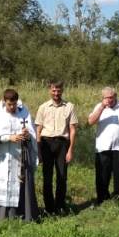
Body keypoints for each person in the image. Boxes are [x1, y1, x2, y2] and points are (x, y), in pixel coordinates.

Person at [0, 89, 39, 221]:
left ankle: (24, 215)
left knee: (22, 183)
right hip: (4, 156)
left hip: (21, 157)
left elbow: (32, 132)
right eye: (9, 104)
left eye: (14, 104)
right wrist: (9, 137)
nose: (12, 107)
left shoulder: (24, 112)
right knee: (2, 183)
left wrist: (27, 134)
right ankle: (0, 217)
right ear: (4, 102)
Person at [34, 80, 78, 214]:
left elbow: (72, 130)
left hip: (62, 144)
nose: (56, 93)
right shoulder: (43, 107)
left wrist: (70, 149)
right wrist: (38, 150)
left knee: (62, 176)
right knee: (47, 176)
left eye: (58, 90)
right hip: (46, 144)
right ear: (49, 90)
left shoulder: (69, 106)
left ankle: (59, 206)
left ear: (62, 90)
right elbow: (38, 130)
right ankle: (49, 208)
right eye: (54, 90)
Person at [88, 86, 119, 204]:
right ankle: (102, 199)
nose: (108, 100)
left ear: (115, 96)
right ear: (103, 98)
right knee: (102, 174)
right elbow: (90, 121)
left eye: (111, 97)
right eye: (106, 98)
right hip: (103, 146)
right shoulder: (99, 107)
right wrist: (102, 107)